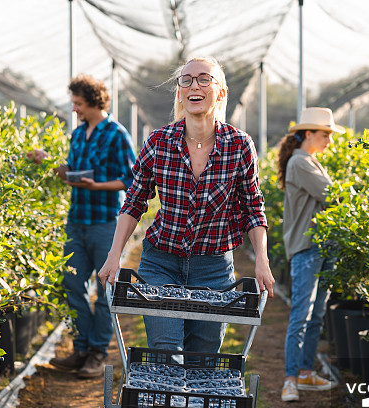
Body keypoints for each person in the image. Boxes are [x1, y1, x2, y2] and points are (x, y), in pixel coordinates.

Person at [97, 56, 274, 354]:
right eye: (187, 80)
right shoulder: (158, 142)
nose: (195, 85)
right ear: (180, 91)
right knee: (166, 351)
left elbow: (253, 208)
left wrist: (262, 260)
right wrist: (115, 255)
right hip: (161, 262)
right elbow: (135, 202)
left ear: (220, 92)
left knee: (202, 358)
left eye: (205, 79)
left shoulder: (239, 145)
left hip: (213, 269)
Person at [32, 74, 136, 378]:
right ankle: (80, 348)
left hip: (105, 222)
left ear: (93, 101)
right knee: (72, 285)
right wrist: (49, 162)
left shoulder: (117, 134)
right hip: (76, 221)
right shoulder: (78, 135)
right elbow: (71, 173)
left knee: (106, 287)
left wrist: (98, 186)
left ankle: (97, 351)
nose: (75, 109)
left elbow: (131, 180)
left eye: (78, 103)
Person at [278, 107, 343, 402]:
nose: (329, 139)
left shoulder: (311, 161)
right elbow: (334, 196)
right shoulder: (301, 162)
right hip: (307, 246)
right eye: (324, 134)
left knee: (316, 314)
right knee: (302, 314)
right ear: (307, 134)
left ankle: (305, 373)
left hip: (322, 245)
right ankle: (290, 379)